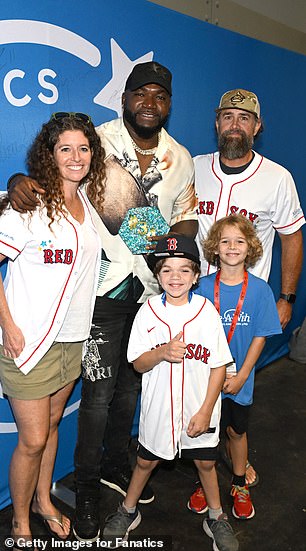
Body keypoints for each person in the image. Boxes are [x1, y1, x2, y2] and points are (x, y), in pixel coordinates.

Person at [6, 61, 198, 542]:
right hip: (98, 296)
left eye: (159, 95)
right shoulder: (99, 140)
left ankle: (117, 468)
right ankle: (85, 492)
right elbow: (48, 178)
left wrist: (170, 252)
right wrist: (16, 181)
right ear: (125, 98)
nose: (149, 102)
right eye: (140, 93)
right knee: (94, 398)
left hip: (145, 292)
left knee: (128, 389)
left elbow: (189, 218)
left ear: (169, 104)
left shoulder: (182, 157)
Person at [188, 88, 305, 511]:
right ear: (216, 122)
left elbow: (292, 237)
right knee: (201, 398)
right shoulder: (193, 167)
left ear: (257, 127)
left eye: (244, 118)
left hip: (244, 312)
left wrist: (287, 296)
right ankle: (207, 469)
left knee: (237, 398)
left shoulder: (277, 177)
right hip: (196, 307)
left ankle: (235, 468)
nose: (235, 124)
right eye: (227, 116)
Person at [0, 113, 104, 544]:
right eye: (66, 149)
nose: (76, 157)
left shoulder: (91, 205)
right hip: (30, 339)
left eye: (84, 148)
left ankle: (43, 501)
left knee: (55, 423)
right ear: (49, 155)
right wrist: (7, 326)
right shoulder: (28, 204)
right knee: (33, 439)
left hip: (73, 339)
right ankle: (20, 521)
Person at [102, 234, 239, 551]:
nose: (175, 277)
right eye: (166, 270)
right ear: (157, 273)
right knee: (146, 461)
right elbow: (136, 363)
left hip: (198, 405)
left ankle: (217, 517)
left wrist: (206, 410)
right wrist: (162, 352)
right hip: (160, 406)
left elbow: (219, 364)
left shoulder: (205, 311)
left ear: (195, 275)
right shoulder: (148, 311)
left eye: (183, 270)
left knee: (205, 463)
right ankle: (128, 509)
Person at [195, 215, 282, 520]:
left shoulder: (260, 290)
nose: (232, 246)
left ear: (250, 248)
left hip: (240, 378)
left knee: (236, 431)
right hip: (206, 378)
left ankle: (238, 482)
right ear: (214, 248)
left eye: (239, 241)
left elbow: (260, 335)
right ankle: (203, 482)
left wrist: (243, 374)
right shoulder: (203, 287)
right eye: (225, 241)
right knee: (206, 432)